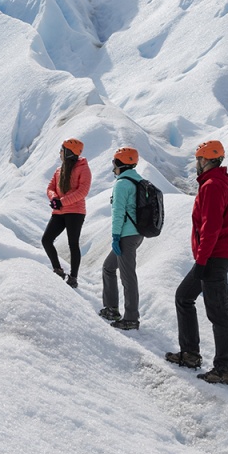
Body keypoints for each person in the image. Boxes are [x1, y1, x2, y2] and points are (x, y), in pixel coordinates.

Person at [165, 140, 228, 385]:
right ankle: (190, 354)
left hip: (213, 256)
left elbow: (211, 226)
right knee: (184, 297)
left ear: (205, 160)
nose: (196, 164)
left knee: (218, 312)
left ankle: (224, 369)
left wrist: (202, 259)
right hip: (217, 255)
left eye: (197, 159)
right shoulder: (221, 185)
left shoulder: (212, 186)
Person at [100, 146, 145, 330]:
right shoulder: (139, 180)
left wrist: (116, 236)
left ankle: (131, 318)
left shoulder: (121, 184)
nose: (113, 167)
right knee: (108, 267)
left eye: (114, 162)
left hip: (126, 235)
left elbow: (118, 212)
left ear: (119, 163)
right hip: (137, 233)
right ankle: (111, 308)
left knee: (128, 277)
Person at [42, 138, 91, 288]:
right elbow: (50, 187)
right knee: (46, 240)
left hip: (75, 212)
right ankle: (58, 270)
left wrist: (61, 202)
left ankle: (73, 277)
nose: (60, 153)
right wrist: (54, 198)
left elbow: (82, 191)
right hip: (59, 211)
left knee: (73, 244)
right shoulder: (59, 170)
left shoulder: (83, 169)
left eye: (62, 150)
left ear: (68, 153)